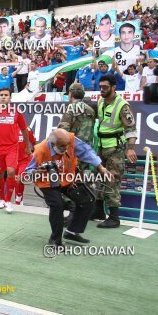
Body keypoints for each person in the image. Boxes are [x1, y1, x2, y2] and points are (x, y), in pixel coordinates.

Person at [25, 129, 113, 247]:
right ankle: (55, 241)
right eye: (62, 146)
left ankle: (72, 232)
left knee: (88, 199)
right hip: (47, 182)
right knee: (57, 205)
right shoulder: (40, 150)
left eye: (66, 145)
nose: (65, 148)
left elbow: (87, 152)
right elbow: (28, 172)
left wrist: (101, 168)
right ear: (52, 144)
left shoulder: (71, 141)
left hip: (67, 178)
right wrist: (36, 172)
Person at [94, 74, 138, 228]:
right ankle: (98, 211)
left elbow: (131, 129)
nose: (101, 90)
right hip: (101, 147)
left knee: (112, 179)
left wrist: (130, 149)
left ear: (113, 87)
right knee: (99, 179)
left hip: (115, 149)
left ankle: (114, 217)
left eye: (105, 87)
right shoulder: (100, 101)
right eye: (100, 87)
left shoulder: (122, 105)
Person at [0, 87, 31, 213]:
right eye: (1, 95)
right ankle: (2, 199)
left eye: (6, 95)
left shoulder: (16, 112)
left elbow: (24, 130)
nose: (3, 97)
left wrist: (27, 146)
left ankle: (9, 201)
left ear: (10, 97)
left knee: (10, 171)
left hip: (12, 148)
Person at [58, 83, 96, 225]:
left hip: (73, 152)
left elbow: (63, 132)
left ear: (70, 94)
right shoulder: (90, 110)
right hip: (87, 151)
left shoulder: (71, 108)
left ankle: (73, 211)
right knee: (84, 182)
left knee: (69, 183)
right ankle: (83, 212)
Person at [15, 126, 35, 205]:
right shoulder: (9, 127)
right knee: (15, 181)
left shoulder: (27, 129)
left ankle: (18, 199)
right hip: (13, 158)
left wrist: (33, 151)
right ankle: (19, 197)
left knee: (20, 178)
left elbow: (33, 142)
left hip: (25, 159)